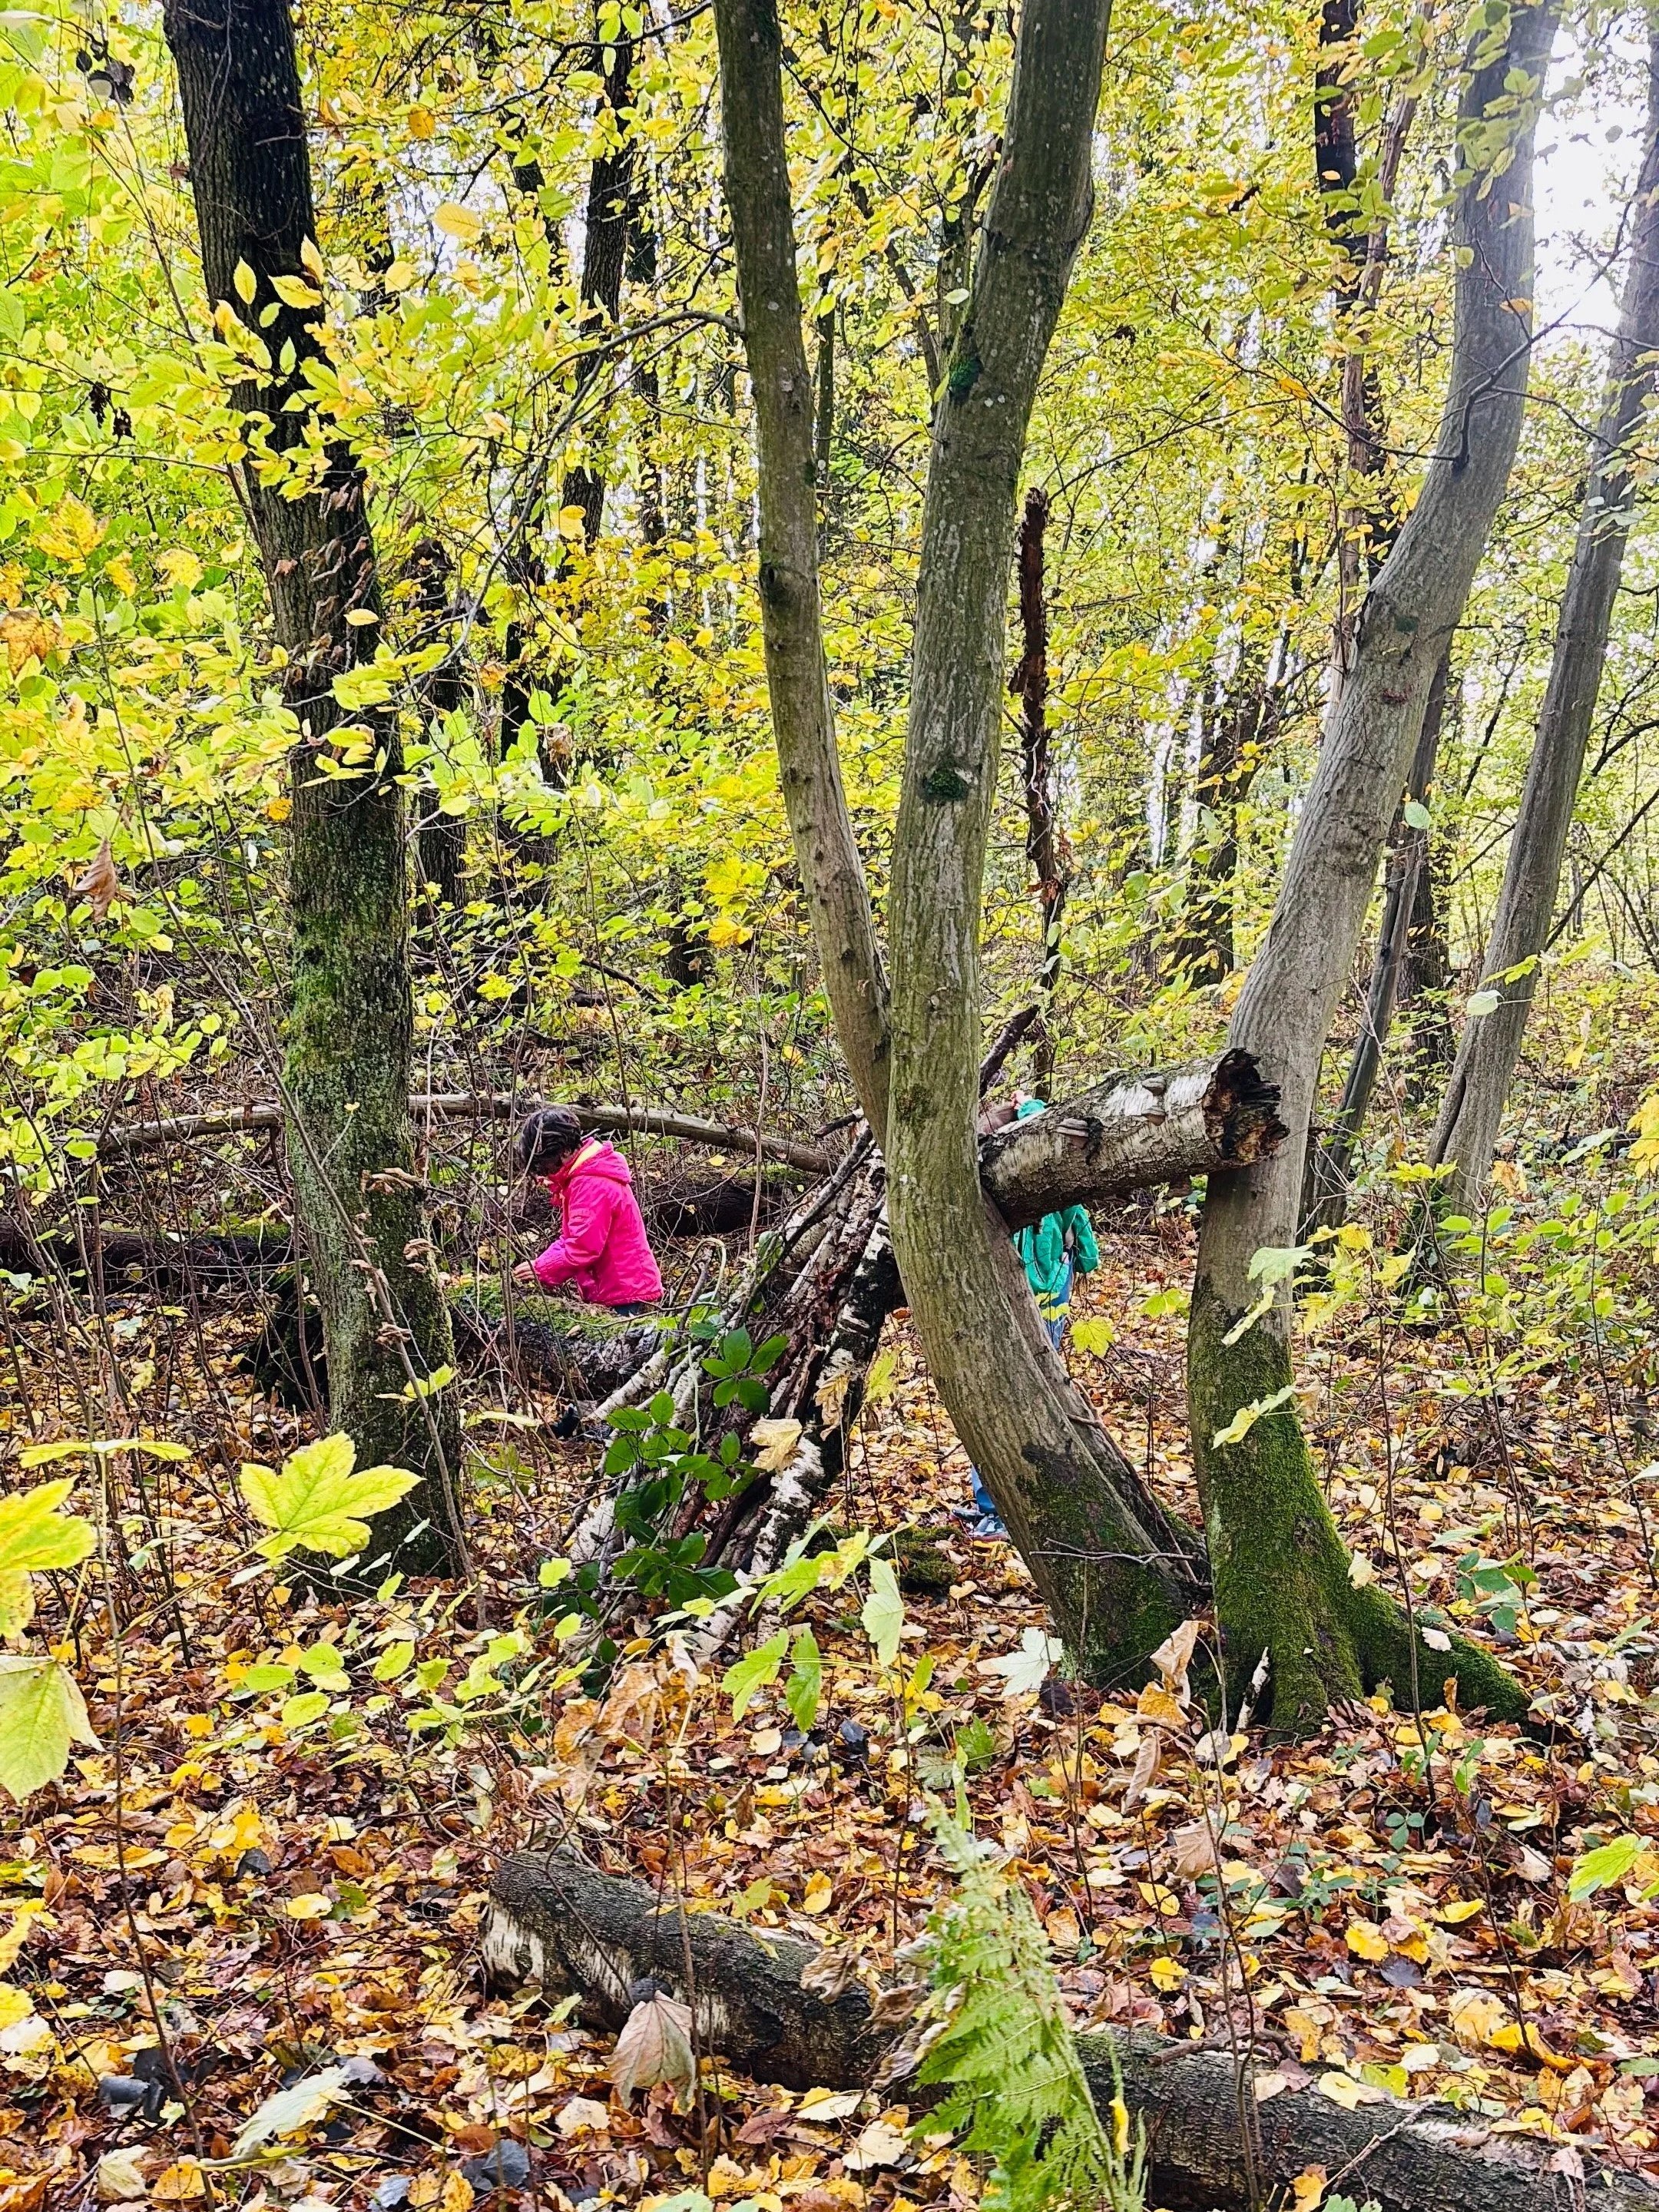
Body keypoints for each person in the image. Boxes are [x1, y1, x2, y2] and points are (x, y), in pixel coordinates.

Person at [957, 1094, 1100, 1541]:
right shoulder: (999, 1179)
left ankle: (1005, 1509)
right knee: (999, 1398)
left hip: (1033, 1305)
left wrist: (1030, 1110)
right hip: (1018, 1303)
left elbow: (1082, 1239)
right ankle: (993, 1502)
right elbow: (1087, 1250)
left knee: (1014, 1399)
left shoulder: (1035, 1179)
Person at [511, 1106, 664, 1313]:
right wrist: (539, 1265)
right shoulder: (583, 1177)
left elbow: (582, 1249)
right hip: (621, 1290)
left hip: (626, 1295)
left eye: (544, 1164)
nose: (543, 1173)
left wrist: (541, 1269)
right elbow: (572, 1239)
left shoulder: (591, 1184)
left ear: (565, 1151)